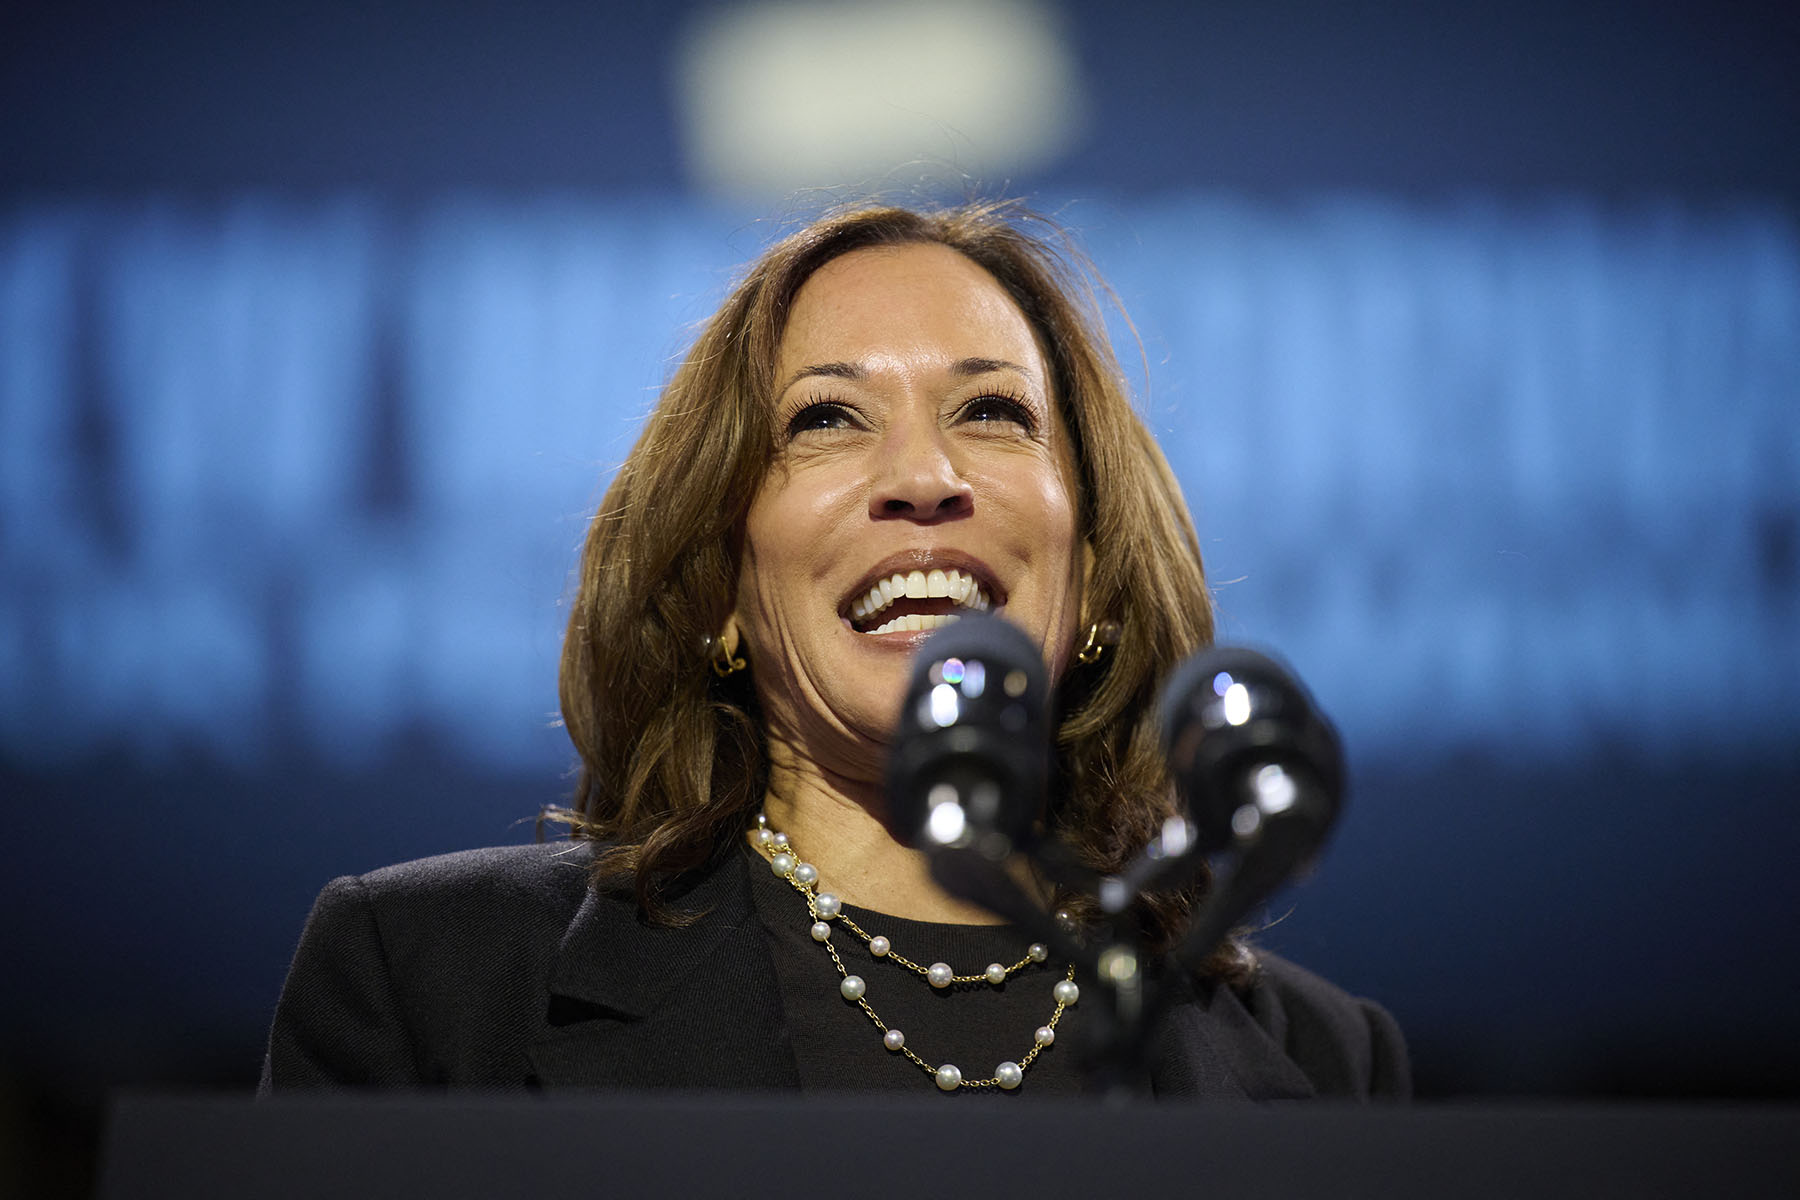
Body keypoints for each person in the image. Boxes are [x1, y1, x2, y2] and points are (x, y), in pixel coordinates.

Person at [261, 200, 1409, 1098]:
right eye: (825, 419)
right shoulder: (431, 985)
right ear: (718, 585)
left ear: (1098, 575)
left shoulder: (1327, 1065)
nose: (923, 479)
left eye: (993, 412)